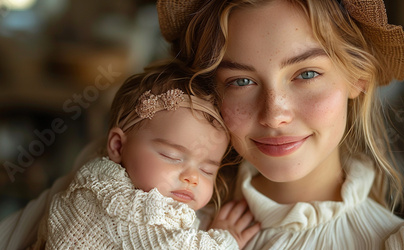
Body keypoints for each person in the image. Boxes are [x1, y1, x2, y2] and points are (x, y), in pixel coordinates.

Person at [156, 0, 404, 249]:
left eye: (307, 74)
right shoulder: (166, 228)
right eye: (241, 81)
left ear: (357, 76)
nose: (274, 115)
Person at [30, 62, 260, 249]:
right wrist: (225, 240)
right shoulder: (116, 204)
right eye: (172, 156)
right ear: (118, 146)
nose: (193, 177)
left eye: (207, 170)